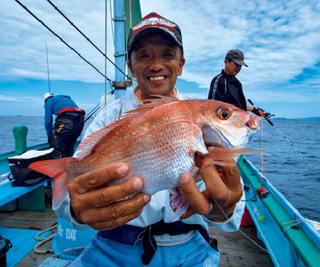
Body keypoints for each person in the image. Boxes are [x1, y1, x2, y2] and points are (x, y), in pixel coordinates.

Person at [57, 12, 245, 266]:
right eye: (143, 55)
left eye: (168, 54)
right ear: (131, 67)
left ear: (181, 64)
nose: (156, 65)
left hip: (191, 247)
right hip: (113, 247)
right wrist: (77, 211)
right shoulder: (109, 117)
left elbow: (233, 216)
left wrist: (224, 209)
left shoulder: (205, 117)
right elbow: (69, 200)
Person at [208, 49, 265, 116]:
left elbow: (238, 106)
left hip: (239, 123)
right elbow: (212, 107)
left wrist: (254, 110)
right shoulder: (219, 80)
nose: (238, 67)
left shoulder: (238, 83)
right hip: (226, 125)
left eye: (240, 65)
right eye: (236, 64)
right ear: (226, 62)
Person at [44, 93, 85, 159]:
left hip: (67, 120)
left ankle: (55, 168)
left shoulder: (49, 101)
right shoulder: (67, 100)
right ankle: (67, 168)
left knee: (54, 148)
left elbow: (48, 121)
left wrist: (49, 137)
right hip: (80, 120)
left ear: (46, 99)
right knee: (68, 148)